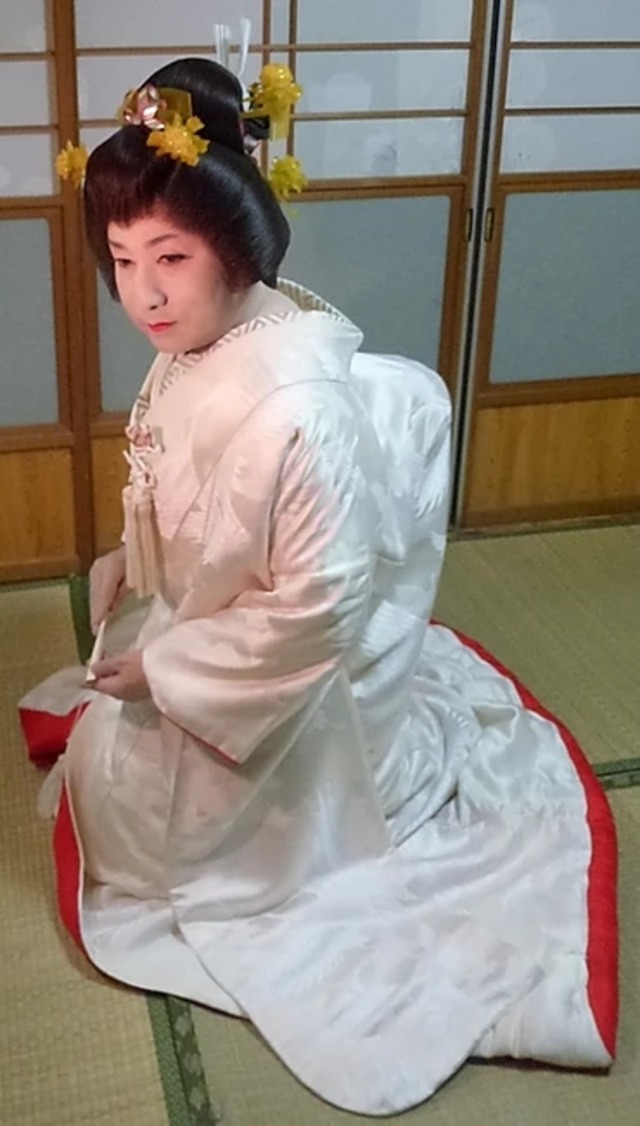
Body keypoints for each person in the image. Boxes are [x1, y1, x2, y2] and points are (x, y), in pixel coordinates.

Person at [32, 56, 618, 1116]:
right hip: (216, 627)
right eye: (120, 259)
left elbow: (319, 604)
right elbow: (167, 467)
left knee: (166, 853)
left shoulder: (299, 412)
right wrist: (134, 553)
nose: (143, 294)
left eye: (171, 257)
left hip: (279, 676)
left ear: (237, 249)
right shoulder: (209, 333)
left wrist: (168, 668)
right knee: (111, 782)